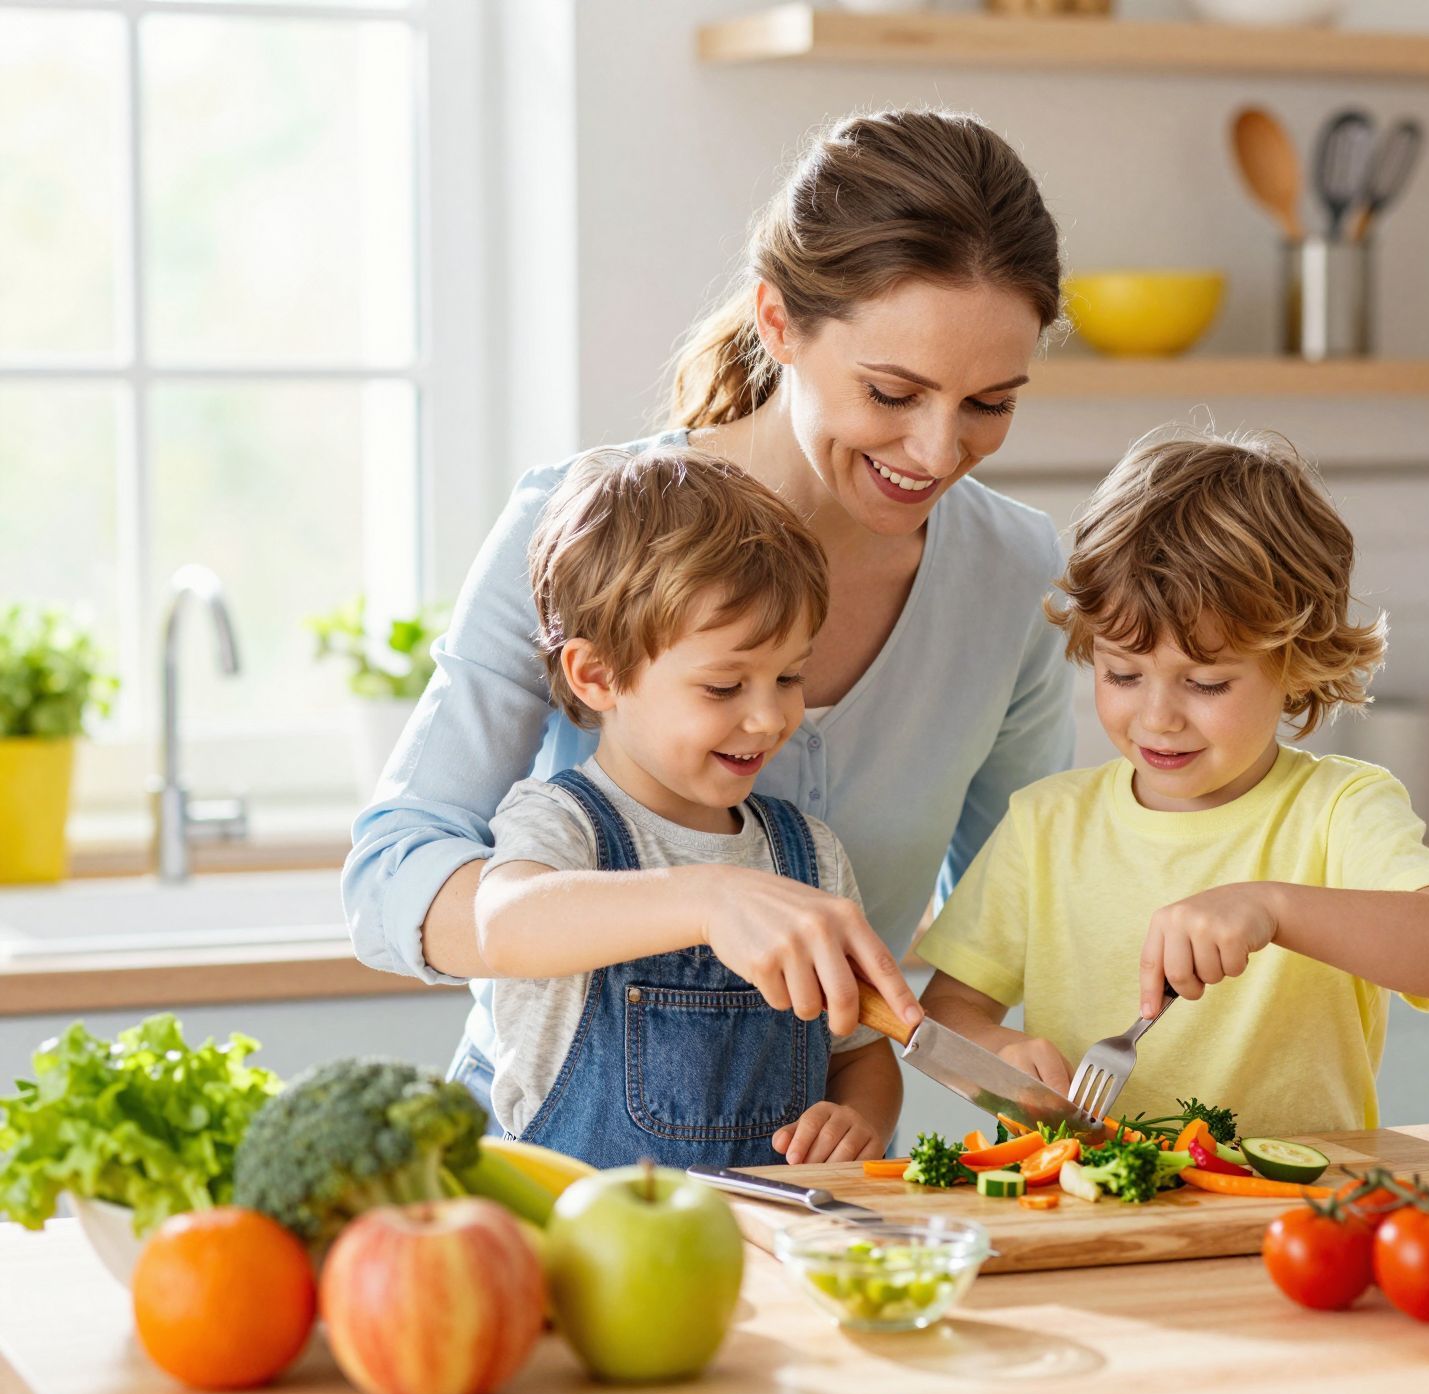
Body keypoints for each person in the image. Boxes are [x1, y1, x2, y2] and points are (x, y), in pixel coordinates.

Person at [340, 110, 1074, 1138]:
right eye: (892, 391)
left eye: (990, 402)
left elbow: (1019, 891)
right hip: (549, 1176)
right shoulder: (583, 529)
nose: (937, 449)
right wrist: (700, 898)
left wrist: (971, 1040)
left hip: (799, 1180)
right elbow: (388, 884)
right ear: (778, 323)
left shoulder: (1015, 575)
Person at [913, 432, 1429, 1137]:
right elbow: (950, 1012)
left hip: (1294, 1216)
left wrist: (1272, 907)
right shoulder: (1046, 824)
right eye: (1123, 674)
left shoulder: (1337, 811)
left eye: (1206, 682)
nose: (1157, 717)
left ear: (1296, 663)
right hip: (1084, 1207)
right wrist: (1003, 1051)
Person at [470, 445, 900, 1167]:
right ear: (598, 674)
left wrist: (857, 1117)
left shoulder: (810, 854)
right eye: (724, 688)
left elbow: (861, 1054)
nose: (769, 719)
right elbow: (504, 925)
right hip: (588, 1258)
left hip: (771, 1257)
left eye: (790, 676)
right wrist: (705, 899)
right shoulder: (561, 824)